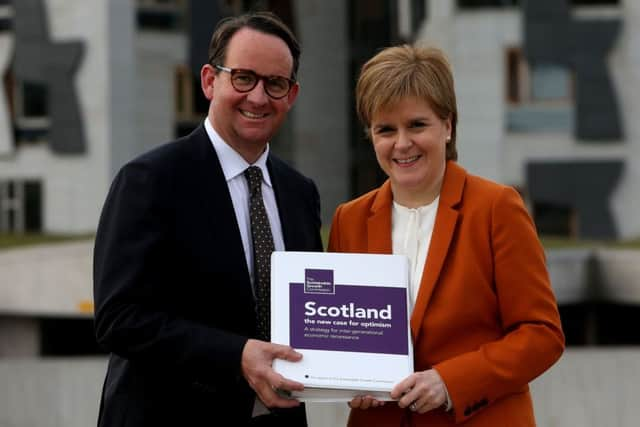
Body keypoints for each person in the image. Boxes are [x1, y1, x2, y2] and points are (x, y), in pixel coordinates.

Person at [93, 12, 322, 427]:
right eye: (243, 77)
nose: (258, 97)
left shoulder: (299, 192)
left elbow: (310, 312)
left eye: (275, 84)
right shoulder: (150, 180)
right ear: (209, 81)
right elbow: (118, 318)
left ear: (291, 95)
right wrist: (236, 355)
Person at [327, 45, 564, 426]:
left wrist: (450, 382)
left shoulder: (496, 208)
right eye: (385, 129)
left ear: (448, 125)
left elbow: (542, 335)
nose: (401, 143)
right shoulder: (349, 220)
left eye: (417, 125)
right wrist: (343, 380)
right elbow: (341, 338)